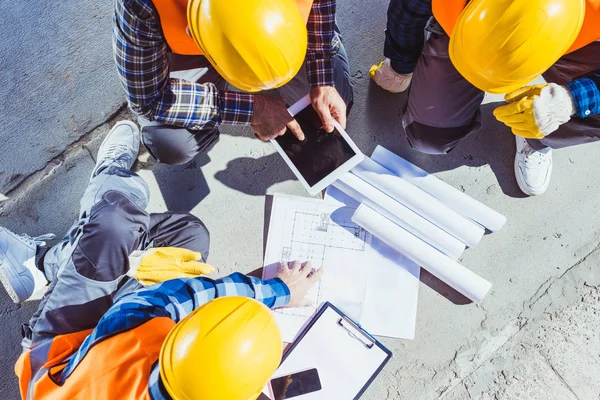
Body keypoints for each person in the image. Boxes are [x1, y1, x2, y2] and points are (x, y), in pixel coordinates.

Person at [0, 121, 323, 399]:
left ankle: (42, 265)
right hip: (106, 352)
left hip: (56, 357)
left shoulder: (136, 340)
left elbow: (179, 297)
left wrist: (279, 291)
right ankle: (55, 267)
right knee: (188, 236)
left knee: (114, 220)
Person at [370, 0, 600, 196]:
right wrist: (401, 65)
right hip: (471, 26)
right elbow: (408, 8)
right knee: (430, 134)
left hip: (585, 40)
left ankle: (537, 139)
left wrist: (570, 100)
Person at [113, 0, 353, 166]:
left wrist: (321, 78)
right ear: (192, 31)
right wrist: (253, 109)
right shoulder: (141, 6)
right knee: (172, 141)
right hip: (188, 50)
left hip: (280, 24)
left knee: (330, 106)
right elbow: (148, 98)